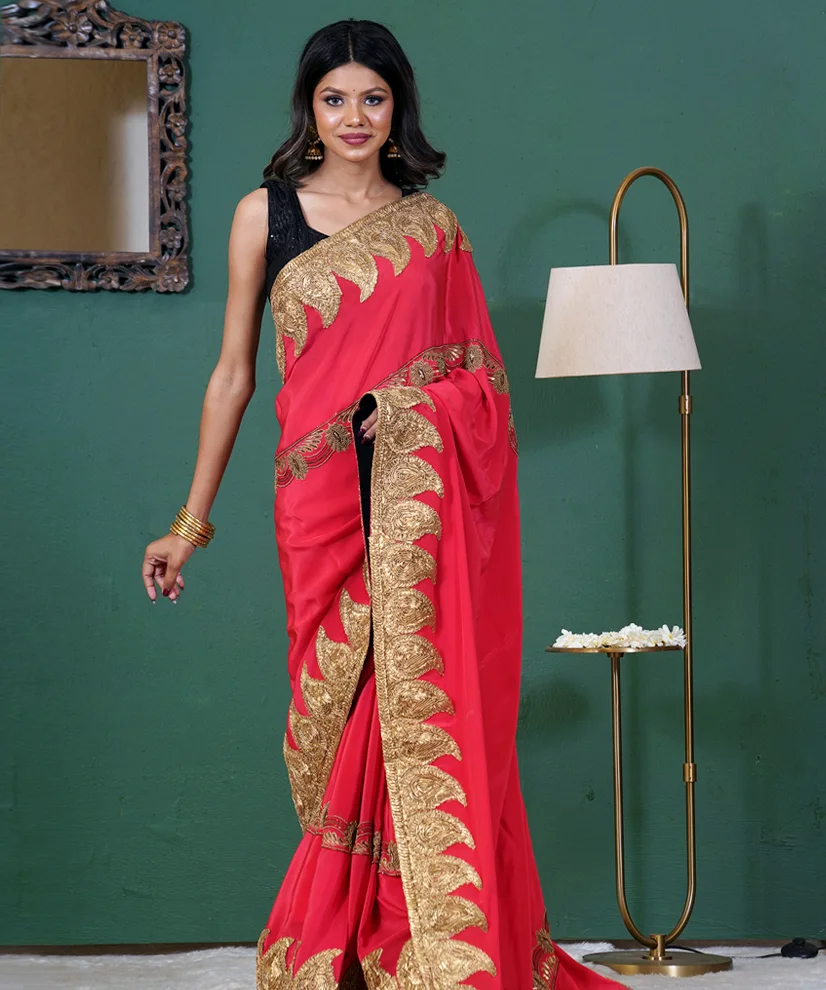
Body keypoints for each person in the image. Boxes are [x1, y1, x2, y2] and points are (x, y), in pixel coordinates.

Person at [141, 19, 621, 990]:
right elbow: (233, 375)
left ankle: (417, 946)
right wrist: (189, 523)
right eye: (335, 98)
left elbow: (482, 384)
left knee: (415, 706)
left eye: (372, 98)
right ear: (308, 108)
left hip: (416, 509)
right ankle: (353, 944)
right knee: (340, 722)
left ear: (397, 108)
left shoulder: (432, 230)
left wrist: (407, 415)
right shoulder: (263, 216)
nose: (353, 117)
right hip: (318, 506)